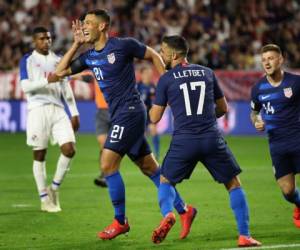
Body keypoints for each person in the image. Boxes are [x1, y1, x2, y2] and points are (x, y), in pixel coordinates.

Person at [55, 9, 194, 240]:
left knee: (108, 165)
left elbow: (152, 54)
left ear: (102, 26)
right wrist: (76, 44)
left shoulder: (122, 46)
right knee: (150, 168)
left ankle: (120, 221)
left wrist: (167, 84)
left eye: (89, 23)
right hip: (121, 114)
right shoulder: (89, 56)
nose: (84, 26)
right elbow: (60, 71)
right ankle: (185, 210)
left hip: (130, 112)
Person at [149, 35, 261, 247]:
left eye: (163, 51)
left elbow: (154, 118)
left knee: (165, 180)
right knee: (233, 184)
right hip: (211, 137)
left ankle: (168, 214)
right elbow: (223, 108)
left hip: (184, 141)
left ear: (174, 55)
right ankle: (244, 235)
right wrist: (205, 119)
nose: (161, 55)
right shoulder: (207, 73)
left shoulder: (166, 78)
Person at [19, 26, 80, 213]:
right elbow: (25, 87)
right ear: (34, 41)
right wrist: (48, 80)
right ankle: (44, 198)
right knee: (40, 154)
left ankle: (54, 188)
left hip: (58, 110)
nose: (46, 41)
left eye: (49, 38)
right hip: (37, 109)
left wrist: (74, 112)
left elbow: (65, 88)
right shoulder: (27, 60)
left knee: (69, 149)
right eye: (42, 39)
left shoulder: (58, 60)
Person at [250, 44, 300, 228]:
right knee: (288, 191)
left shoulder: (295, 82)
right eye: (264, 60)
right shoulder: (258, 88)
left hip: (297, 140)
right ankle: (298, 204)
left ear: (281, 59)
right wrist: (256, 121)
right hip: (277, 146)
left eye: (270, 58)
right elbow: (254, 112)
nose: (267, 62)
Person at [136, 65, 160, 160]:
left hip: (149, 114)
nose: (149, 75)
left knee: (154, 131)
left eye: (150, 73)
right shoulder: (137, 86)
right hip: (141, 115)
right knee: (143, 136)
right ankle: (142, 154)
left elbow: (157, 100)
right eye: (146, 73)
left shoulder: (152, 86)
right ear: (141, 74)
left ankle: (156, 154)